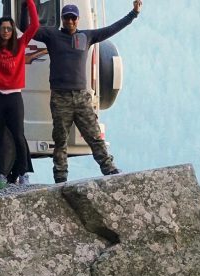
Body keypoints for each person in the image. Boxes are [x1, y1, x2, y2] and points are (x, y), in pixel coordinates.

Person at [34, 1, 142, 183]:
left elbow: (112, 29)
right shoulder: (52, 36)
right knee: (60, 140)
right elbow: (30, 28)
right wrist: (27, 5)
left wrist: (133, 14)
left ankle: (109, 169)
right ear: (62, 19)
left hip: (81, 97)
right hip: (60, 97)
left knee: (94, 136)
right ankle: (60, 178)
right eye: (67, 18)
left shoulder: (86, 36)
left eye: (73, 18)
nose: (70, 21)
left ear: (78, 19)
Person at [0, 0, 39, 185]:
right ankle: (1, 174)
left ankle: (23, 173)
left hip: (14, 97)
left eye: (9, 28)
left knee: (18, 136)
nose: (5, 31)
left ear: (13, 31)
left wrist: (29, 2)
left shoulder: (20, 44)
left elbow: (35, 25)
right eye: (3, 28)